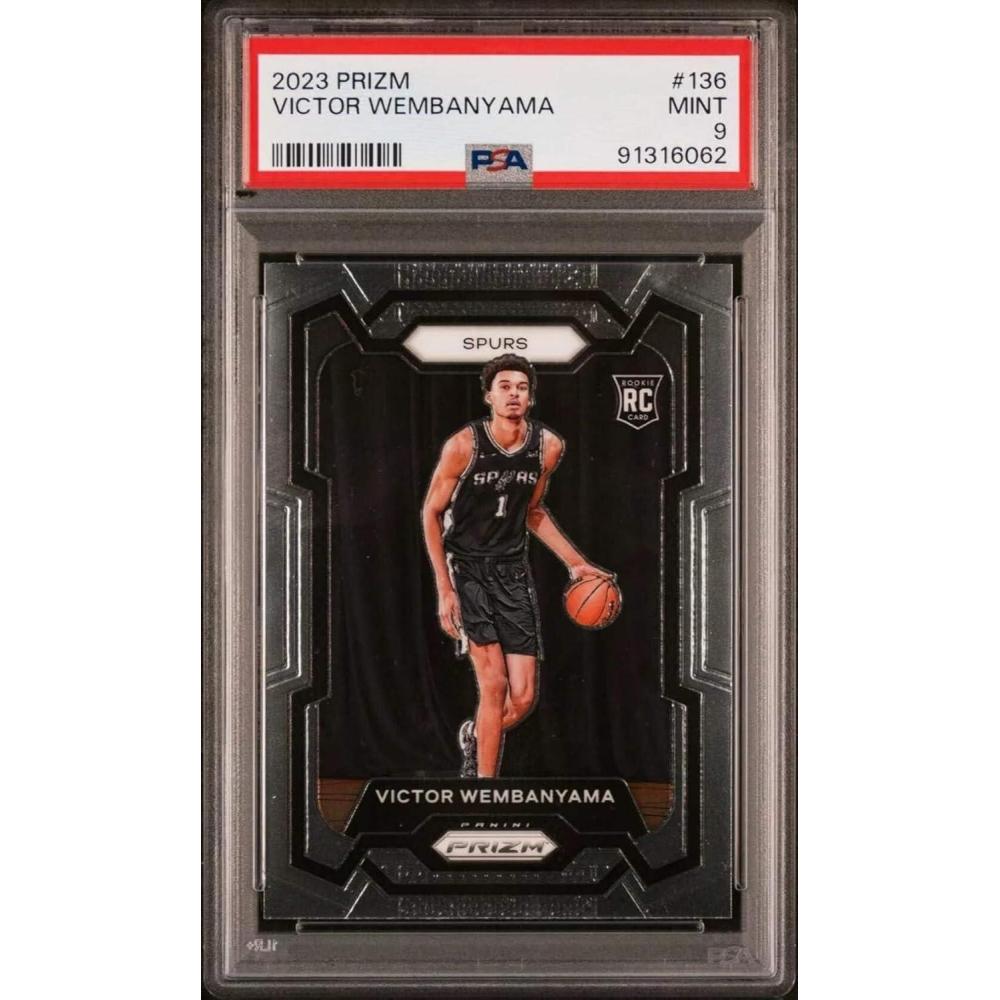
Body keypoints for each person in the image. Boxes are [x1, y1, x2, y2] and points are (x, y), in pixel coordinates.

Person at [422, 354, 612, 778]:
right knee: (493, 686)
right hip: (467, 569)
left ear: (531, 398)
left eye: (521, 388)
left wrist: (577, 565)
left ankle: (475, 735)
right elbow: (431, 513)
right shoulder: (463, 446)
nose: (513, 394)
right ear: (489, 396)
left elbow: (533, 511)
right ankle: (483, 792)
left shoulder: (548, 447)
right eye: (504, 387)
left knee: (523, 699)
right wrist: (444, 589)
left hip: (512, 573)